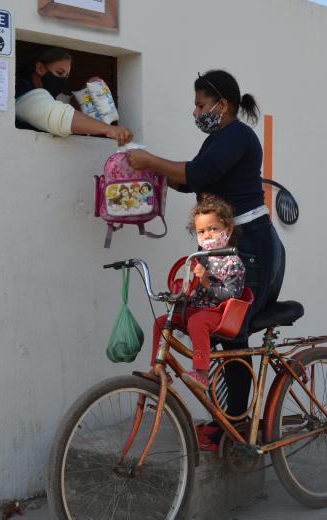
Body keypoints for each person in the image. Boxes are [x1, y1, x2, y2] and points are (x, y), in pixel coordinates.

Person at [127, 70, 285, 438]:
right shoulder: (219, 138)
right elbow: (189, 181)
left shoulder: (238, 137)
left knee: (231, 332)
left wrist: (150, 161)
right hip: (225, 249)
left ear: (222, 104)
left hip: (251, 249)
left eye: (200, 104)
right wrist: (143, 170)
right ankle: (230, 421)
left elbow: (199, 174)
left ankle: (235, 422)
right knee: (216, 332)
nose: (196, 111)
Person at [149, 195, 245, 391]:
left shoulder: (233, 262)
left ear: (228, 229)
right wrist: (184, 293)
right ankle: (157, 368)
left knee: (197, 322)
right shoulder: (201, 260)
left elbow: (232, 295)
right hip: (199, 310)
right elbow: (196, 291)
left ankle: (202, 374)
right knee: (161, 322)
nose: (207, 235)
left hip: (220, 313)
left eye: (213, 229)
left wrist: (206, 281)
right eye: (201, 231)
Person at [15, 47, 133, 145]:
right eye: (60, 73)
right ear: (40, 68)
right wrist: (109, 129)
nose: (62, 80)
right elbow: (61, 117)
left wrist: (86, 92)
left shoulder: (51, 95)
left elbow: (66, 104)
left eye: (66, 76)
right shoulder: (24, 95)